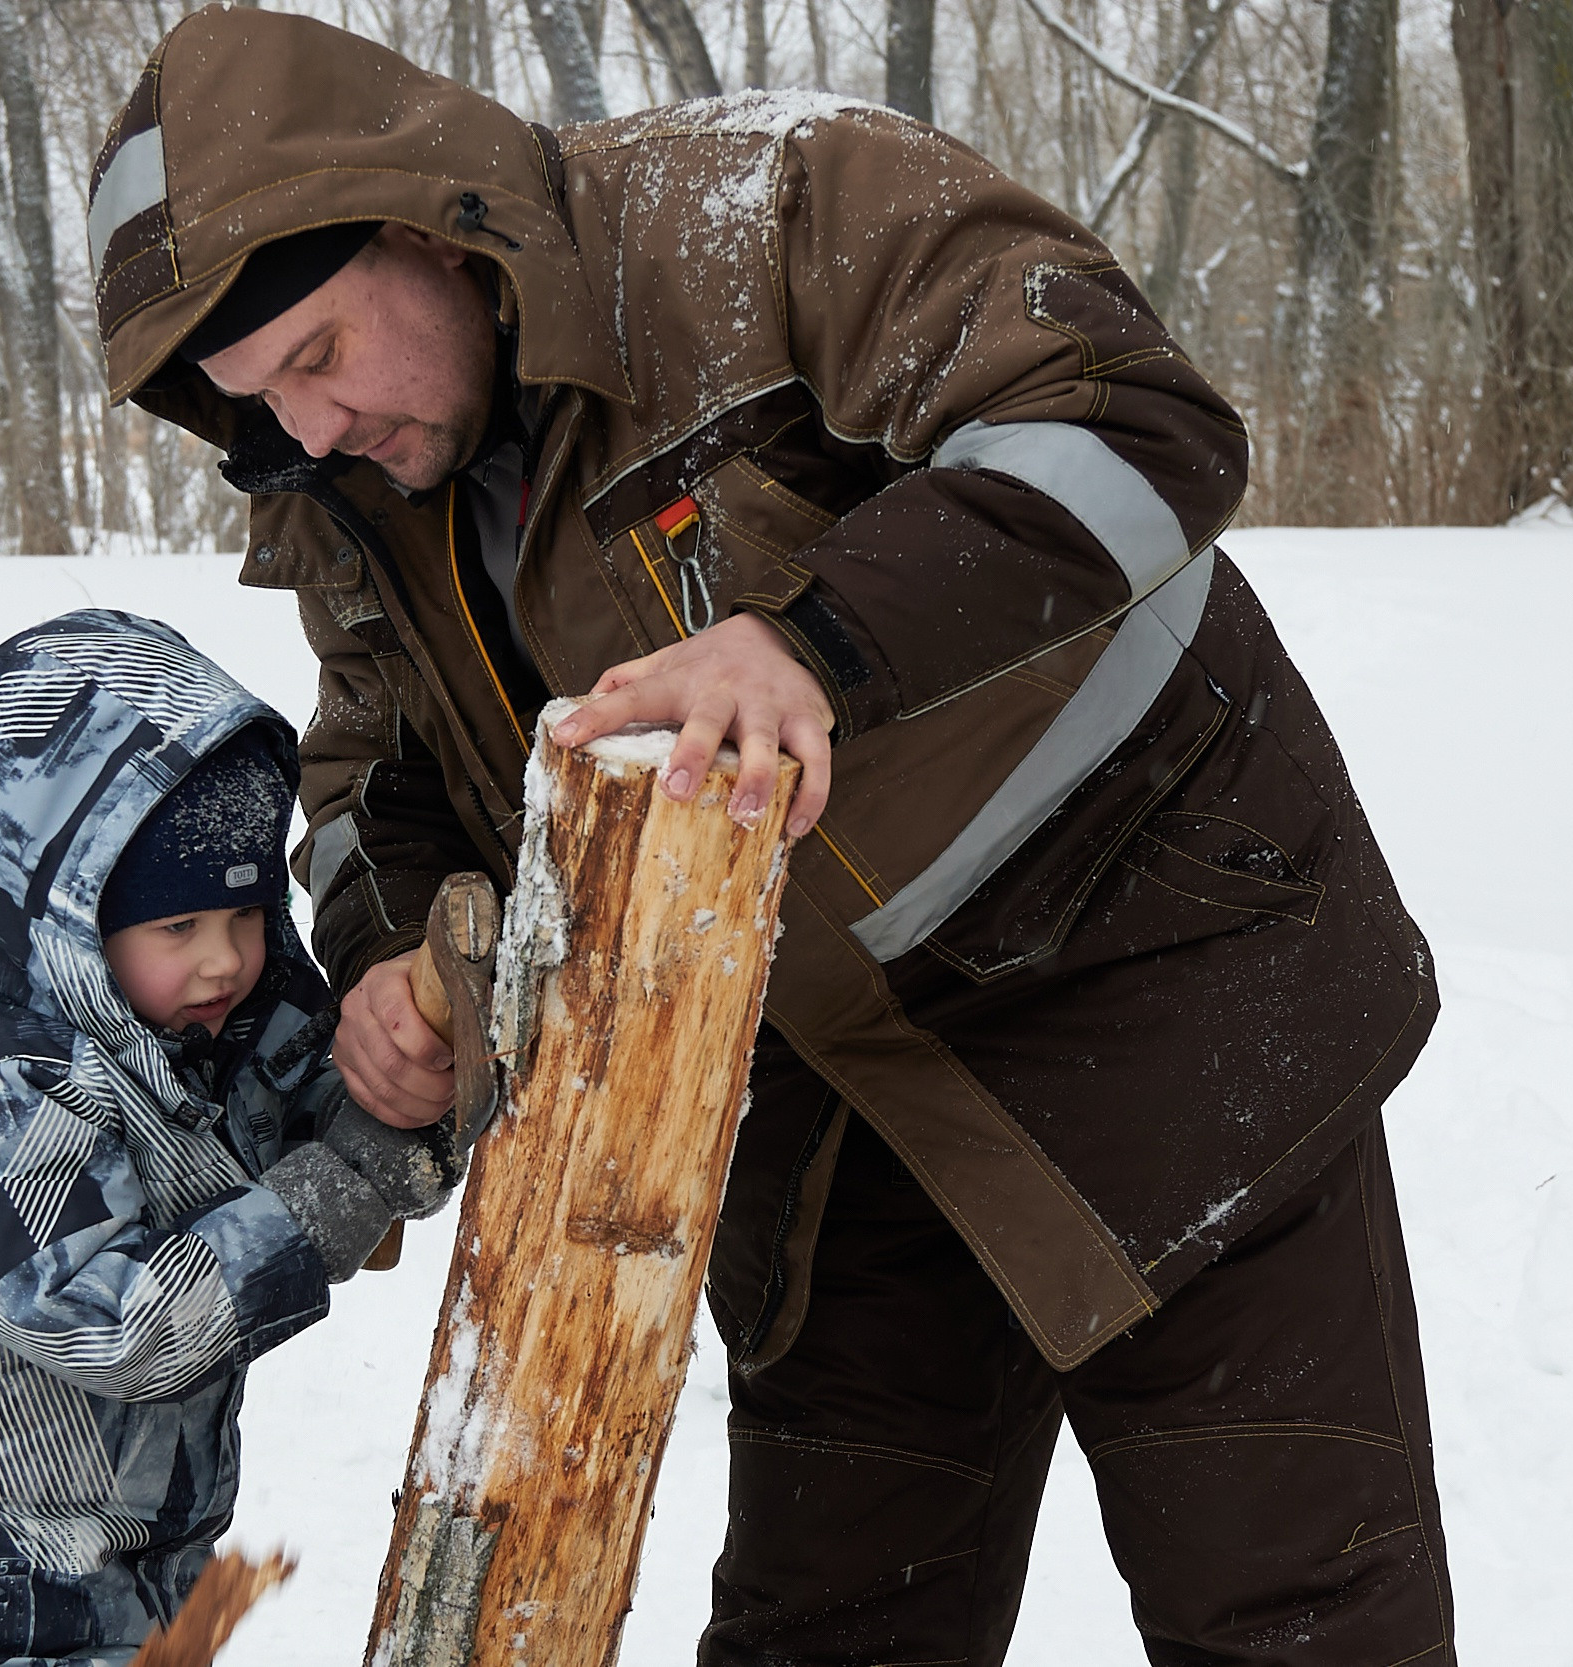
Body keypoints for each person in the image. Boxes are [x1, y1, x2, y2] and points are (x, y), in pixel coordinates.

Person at [84, 12, 1456, 1666]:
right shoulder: (352, 495)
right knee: (827, 1631)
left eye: (316, 354)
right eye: (257, 403)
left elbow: (1133, 420)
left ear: (420, 223)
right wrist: (384, 957)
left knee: (1293, 1620)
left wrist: (813, 640)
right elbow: (375, 769)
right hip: (828, 1110)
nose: (309, 428)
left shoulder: (764, 211)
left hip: (1160, 993)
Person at [0, 610, 455, 1667]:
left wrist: (408, 1093)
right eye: (177, 926)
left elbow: (336, 1117)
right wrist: (346, 1179)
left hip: (136, 1536)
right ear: (70, 914)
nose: (223, 960)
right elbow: (122, 1330)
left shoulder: (224, 1018)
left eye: (247, 914)